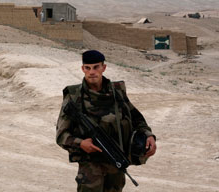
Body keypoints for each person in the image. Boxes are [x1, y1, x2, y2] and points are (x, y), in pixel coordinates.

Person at [56, 50, 156, 192]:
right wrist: (81, 143)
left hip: (116, 163)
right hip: (90, 167)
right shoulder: (73, 97)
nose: (92, 72)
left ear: (104, 68)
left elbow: (137, 119)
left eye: (96, 67)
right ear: (82, 69)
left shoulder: (117, 93)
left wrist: (148, 135)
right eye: (87, 68)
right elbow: (61, 136)